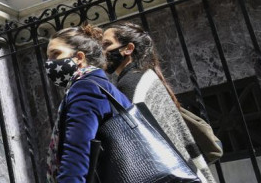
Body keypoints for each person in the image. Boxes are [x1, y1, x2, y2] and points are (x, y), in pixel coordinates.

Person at [103, 21, 216, 183]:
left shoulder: (129, 84)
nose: (102, 51)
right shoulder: (147, 77)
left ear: (128, 49)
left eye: (107, 44)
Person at [45, 24, 131, 183]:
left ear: (79, 57)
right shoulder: (101, 85)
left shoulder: (86, 88)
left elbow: (77, 152)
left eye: (55, 54)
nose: (49, 63)